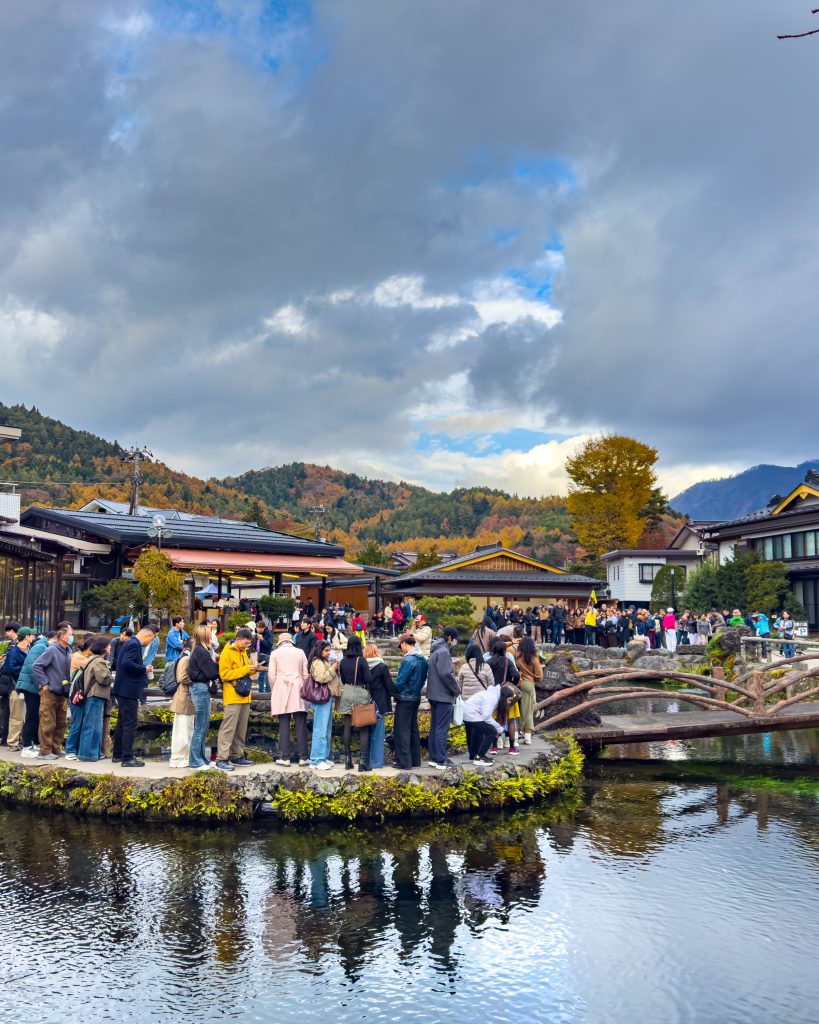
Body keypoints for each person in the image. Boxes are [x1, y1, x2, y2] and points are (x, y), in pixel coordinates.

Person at [112, 624, 156, 768]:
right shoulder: (134, 644)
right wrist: (144, 669)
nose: (149, 643)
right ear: (147, 635)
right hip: (128, 689)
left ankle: (118, 754)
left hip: (123, 689)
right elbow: (127, 663)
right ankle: (127, 757)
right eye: (151, 640)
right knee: (130, 724)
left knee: (122, 722)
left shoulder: (129, 642)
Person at [216, 628, 257, 771]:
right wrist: (246, 669)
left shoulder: (243, 651)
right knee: (228, 728)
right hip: (233, 695)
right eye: (245, 643)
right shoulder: (226, 653)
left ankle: (237, 756)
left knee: (241, 729)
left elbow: (244, 671)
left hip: (245, 695)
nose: (247, 646)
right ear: (237, 639)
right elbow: (224, 675)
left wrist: (253, 669)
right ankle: (222, 758)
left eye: (248, 644)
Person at [32, 625, 73, 760]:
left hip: (63, 691)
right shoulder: (52, 649)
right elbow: (36, 665)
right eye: (70, 634)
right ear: (63, 637)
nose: (72, 637)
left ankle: (56, 748)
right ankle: (44, 751)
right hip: (50, 691)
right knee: (47, 722)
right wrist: (44, 683)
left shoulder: (68, 650)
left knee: (61, 722)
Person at [269, 631, 309, 766]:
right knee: (301, 724)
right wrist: (304, 688)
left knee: (284, 724)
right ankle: (303, 757)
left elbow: (271, 676)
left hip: (282, 688)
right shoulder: (300, 652)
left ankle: (285, 758)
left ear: (280, 642)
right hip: (298, 688)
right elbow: (305, 675)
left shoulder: (275, 653)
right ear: (291, 641)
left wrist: (275, 688)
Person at [425, 627, 461, 769]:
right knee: (441, 728)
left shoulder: (436, 650)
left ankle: (434, 757)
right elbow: (446, 674)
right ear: (450, 638)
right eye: (455, 639)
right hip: (443, 695)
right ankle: (441, 759)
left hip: (433, 694)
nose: (455, 642)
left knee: (434, 727)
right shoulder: (444, 652)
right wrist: (456, 690)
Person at [392, 632, 427, 770]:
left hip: (405, 698)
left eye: (401, 645)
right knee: (413, 729)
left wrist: (392, 690)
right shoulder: (423, 659)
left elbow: (400, 681)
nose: (401, 649)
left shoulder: (408, 660)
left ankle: (404, 762)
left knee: (402, 730)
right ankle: (415, 760)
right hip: (416, 697)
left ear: (404, 643)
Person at [338, 636, 374, 771]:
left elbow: (342, 679)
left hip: (347, 692)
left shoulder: (343, 661)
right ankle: (363, 762)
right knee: (363, 727)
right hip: (360, 692)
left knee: (347, 726)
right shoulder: (362, 660)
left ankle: (347, 760)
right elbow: (368, 679)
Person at [463, 682, 521, 766]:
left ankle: (474, 755)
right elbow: (486, 717)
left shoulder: (493, 695)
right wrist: (499, 727)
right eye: (509, 700)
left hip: (468, 713)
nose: (509, 702)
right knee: (492, 732)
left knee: (477, 732)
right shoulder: (492, 698)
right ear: (504, 697)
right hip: (472, 715)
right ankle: (480, 757)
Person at [187, 623, 220, 770]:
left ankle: (202, 759)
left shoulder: (199, 650)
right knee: (200, 728)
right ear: (205, 636)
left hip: (200, 688)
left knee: (204, 727)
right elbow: (211, 672)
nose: (212, 637)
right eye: (210, 635)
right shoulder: (201, 651)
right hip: (200, 688)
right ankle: (195, 762)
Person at [76, 635, 114, 762]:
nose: (110, 647)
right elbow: (104, 679)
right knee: (92, 726)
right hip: (95, 695)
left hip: (92, 695)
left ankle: (92, 753)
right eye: (108, 645)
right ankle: (87, 754)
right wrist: (112, 677)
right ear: (103, 648)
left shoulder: (92, 659)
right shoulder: (99, 661)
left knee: (92, 725)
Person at [17, 630, 52, 756]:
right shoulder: (40, 647)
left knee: (36, 716)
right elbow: (32, 667)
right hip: (31, 687)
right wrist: (41, 685)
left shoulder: (43, 646)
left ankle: (34, 744)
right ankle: (27, 746)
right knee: (31, 716)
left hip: (34, 686)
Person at [364, 641, 396, 770]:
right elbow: (389, 685)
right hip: (379, 703)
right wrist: (397, 694)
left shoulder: (362, 666)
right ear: (376, 652)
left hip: (365, 703)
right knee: (378, 733)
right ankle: (377, 762)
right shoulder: (382, 666)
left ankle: (366, 760)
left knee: (366, 733)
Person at [64, 635, 96, 759]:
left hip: (79, 694)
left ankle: (75, 749)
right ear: (90, 648)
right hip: (76, 694)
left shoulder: (81, 656)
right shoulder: (79, 658)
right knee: (76, 724)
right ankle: (70, 750)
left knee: (79, 723)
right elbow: (95, 668)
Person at [1, 627, 34, 746]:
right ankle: (12, 742)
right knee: (16, 716)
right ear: (26, 637)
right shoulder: (14, 651)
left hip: (27, 688)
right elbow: (8, 669)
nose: (33, 637)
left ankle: (21, 740)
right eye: (31, 635)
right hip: (16, 688)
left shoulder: (30, 650)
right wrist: (25, 670)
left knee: (25, 716)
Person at [307, 641, 337, 770]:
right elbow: (321, 678)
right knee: (320, 729)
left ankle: (323, 757)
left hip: (326, 698)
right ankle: (316, 760)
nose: (328, 652)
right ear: (320, 650)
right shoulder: (317, 662)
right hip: (321, 699)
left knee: (326, 729)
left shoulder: (323, 661)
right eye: (326, 650)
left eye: (329, 650)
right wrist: (333, 668)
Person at [486, 639, 521, 753]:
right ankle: (512, 748)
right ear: (504, 651)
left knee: (495, 720)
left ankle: (494, 747)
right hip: (507, 693)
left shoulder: (489, 662)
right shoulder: (507, 661)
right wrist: (512, 683)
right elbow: (516, 675)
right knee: (510, 721)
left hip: (493, 694)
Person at [168, 644, 195, 768]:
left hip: (187, 698)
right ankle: (178, 758)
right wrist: (198, 680)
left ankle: (185, 757)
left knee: (188, 730)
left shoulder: (187, 657)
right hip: (183, 697)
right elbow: (182, 677)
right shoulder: (185, 659)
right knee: (182, 731)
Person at [515, 635, 542, 745]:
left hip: (516, 685)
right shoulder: (534, 659)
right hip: (529, 685)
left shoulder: (517, 657)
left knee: (517, 710)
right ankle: (527, 737)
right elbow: (539, 676)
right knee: (528, 711)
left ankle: (515, 735)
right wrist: (533, 678)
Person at [253, 619, 273, 693]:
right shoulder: (256, 635)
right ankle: (260, 690)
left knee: (267, 674)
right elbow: (255, 646)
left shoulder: (268, 634)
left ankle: (268, 690)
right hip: (258, 656)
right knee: (260, 674)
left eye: (261, 628)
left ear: (264, 628)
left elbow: (269, 646)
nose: (259, 629)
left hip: (267, 656)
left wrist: (262, 639)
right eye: (258, 627)